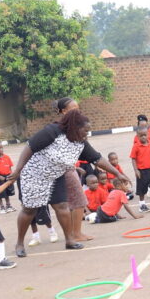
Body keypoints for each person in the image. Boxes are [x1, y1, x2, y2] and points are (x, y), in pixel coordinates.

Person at [10, 108, 128, 257]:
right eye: (85, 131)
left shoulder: (81, 143)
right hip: (35, 174)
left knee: (62, 206)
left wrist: (117, 173)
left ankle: (69, 240)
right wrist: (17, 170)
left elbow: (97, 158)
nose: (87, 134)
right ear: (74, 127)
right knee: (29, 210)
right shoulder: (52, 131)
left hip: (57, 176)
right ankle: (19, 243)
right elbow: (30, 147)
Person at [55, 98, 93, 244]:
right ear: (64, 111)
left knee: (73, 202)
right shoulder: (58, 128)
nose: (78, 111)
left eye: (78, 107)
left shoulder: (74, 126)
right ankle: (75, 234)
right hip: (63, 169)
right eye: (73, 108)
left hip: (70, 167)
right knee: (78, 200)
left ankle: (74, 233)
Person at [130, 128, 150, 212]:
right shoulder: (136, 146)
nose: (143, 137)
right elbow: (133, 159)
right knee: (142, 189)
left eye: (145, 135)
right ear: (137, 136)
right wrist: (136, 170)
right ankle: (142, 205)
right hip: (142, 171)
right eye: (141, 136)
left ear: (147, 135)